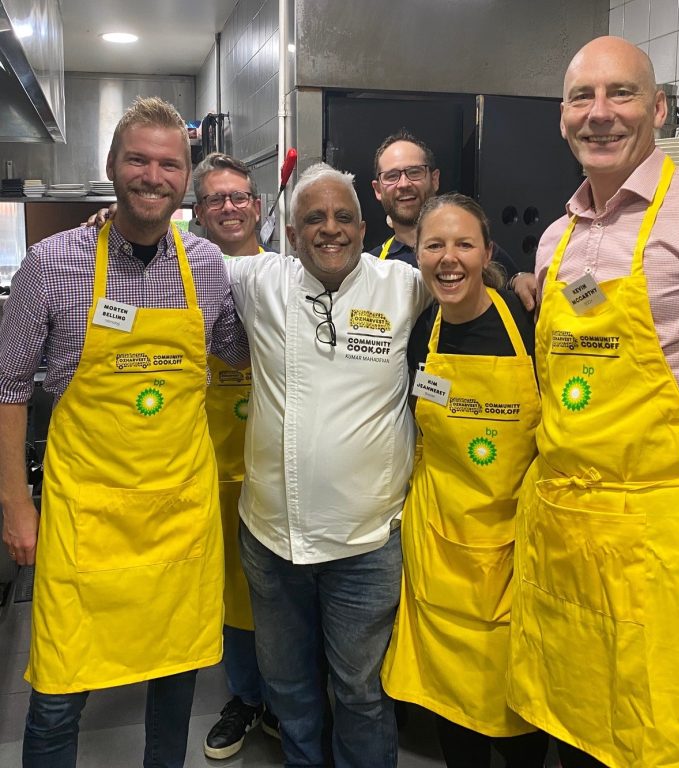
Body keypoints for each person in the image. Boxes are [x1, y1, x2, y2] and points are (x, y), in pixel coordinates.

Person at [506, 36, 679, 768]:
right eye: (582, 98)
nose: (600, 114)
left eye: (620, 94)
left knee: (669, 743)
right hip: (567, 539)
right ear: (561, 117)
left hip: (667, 543)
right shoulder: (555, 240)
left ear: (658, 108)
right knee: (582, 740)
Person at [0, 97, 248, 768]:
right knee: (57, 693)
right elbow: (8, 387)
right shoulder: (50, 263)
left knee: (175, 678)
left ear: (185, 179)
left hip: (178, 517)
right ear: (111, 165)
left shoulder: (206, 266)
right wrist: (17, 503)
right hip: (88, 516)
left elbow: (238, 353)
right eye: (138, 158)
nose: (153, 175)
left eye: (169, 164)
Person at [227, 162, 433, 768]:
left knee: (363, 695)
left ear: (363, 227)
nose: (330, 229)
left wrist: (522, 279)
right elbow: (174, 254)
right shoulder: (259, 279)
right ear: (290, 236)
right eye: (313, 218)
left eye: (343, 217)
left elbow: (469, 274)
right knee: (288, 688)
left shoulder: (403, 285)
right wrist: (109, 221)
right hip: (271, 540)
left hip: (366, 544)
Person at [380, 193, 548, 768]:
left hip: (514, 547)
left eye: (463, 244)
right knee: (452, 708)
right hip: (439, 545)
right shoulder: (420, 328)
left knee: (518, 707)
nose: (448, 259)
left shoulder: (528, 317)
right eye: (434, 245)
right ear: (417, 254)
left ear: (487, 252)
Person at [191, 153, 281, 758]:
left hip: (276, 463)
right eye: (215, 198)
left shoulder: (287, 273)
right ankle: (246, 698)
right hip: (205, 463)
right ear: (197, 213)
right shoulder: (181, 271)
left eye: (238, 197)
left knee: (279, 594)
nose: (229, 206)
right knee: (228, 592)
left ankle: (286, 699)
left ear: (256, 206)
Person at [371, 130, 519, 278]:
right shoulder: (371, 267)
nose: (403, 184)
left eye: (414, 172)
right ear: (378, 189)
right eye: (391, 176)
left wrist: (518, 279)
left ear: (434, 180)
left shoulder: (474, 250)